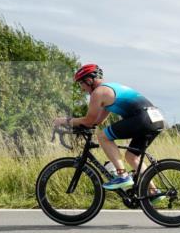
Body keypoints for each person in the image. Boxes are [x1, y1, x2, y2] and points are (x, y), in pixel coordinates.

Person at [54, 64, 165, 196]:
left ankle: (122, 175)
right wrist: (78, 125)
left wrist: (65, 121)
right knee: (132, 157)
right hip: (156, 119)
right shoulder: (110, 89)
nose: (82, 89)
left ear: (89, 80)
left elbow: (89, 120)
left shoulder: (98, 93)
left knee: (103, 137)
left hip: (143, 118)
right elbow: (96, 121)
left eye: (81, 84)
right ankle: (153, 191)